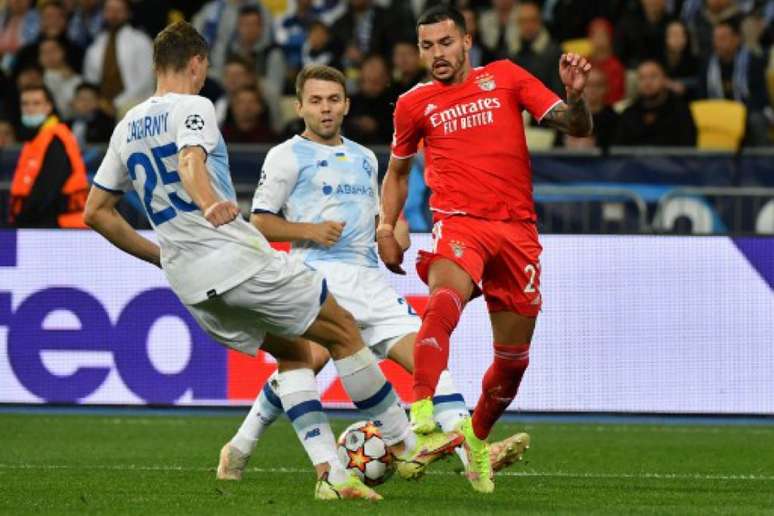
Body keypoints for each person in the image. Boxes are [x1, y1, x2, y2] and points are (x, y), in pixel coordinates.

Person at [84, 21, 461, 501]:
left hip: (188, 280)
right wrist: (209, 203)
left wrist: (163, 256)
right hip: (235, 258)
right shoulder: (194, 105)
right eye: (204, 70)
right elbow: (189, 162)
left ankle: (330, 471)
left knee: (294, 354)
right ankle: (404, 443)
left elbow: (95, 213)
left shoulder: (125, 126)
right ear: (197, 63)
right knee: (344, 329)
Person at [217, 63, 530, 482]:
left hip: (368, 279)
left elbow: (382, 214)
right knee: (305, 363)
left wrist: (392, 230)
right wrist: (308, 230)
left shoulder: (365, 158)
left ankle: (473, 460)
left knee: (427, 360)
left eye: (332, 100)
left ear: (346, 105)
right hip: (316, 275)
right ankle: (242, 447)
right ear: (300, 107)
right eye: (315, 101)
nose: (325, 109)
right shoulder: (286, 155)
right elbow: (260, 221)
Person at [378, 6, 593, 494]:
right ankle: (423, 411)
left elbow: (575, 126)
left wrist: (575, 99)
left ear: (467, 41)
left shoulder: (506, 78)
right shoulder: (414, 104)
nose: (437, 54)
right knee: (443, 301)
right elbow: (397, 172)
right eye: (427, 46)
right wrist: (386, 225)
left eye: (445, 43)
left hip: (517, 233)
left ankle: (476, 440)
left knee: (514, 361)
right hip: (460, 224)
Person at [9, 84, 89, 228]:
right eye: (25, 104)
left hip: (61, 227)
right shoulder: (37, 139)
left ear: (48, 107)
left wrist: (21, 221)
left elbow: (47, 190)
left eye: (36, 103)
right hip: (49, 224)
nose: (30, 108)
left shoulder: (56, 139)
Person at [82, 0, 154, 116]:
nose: (113, 15)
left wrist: (116, 103)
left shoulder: (141, 40)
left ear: (128, 13)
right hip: (102, 106)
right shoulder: (96, 45)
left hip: (137, 104)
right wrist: (98, 102)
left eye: (118, 10)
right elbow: (90, 80)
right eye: (109, 10)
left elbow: (146, 80)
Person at [615, 60, 697, 146]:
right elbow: (619, 151)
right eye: (642, 78)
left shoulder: (680, 110)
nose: (647, 82)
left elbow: (688, 148)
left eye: (653, 76)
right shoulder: (629, 114)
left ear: (664, 80)